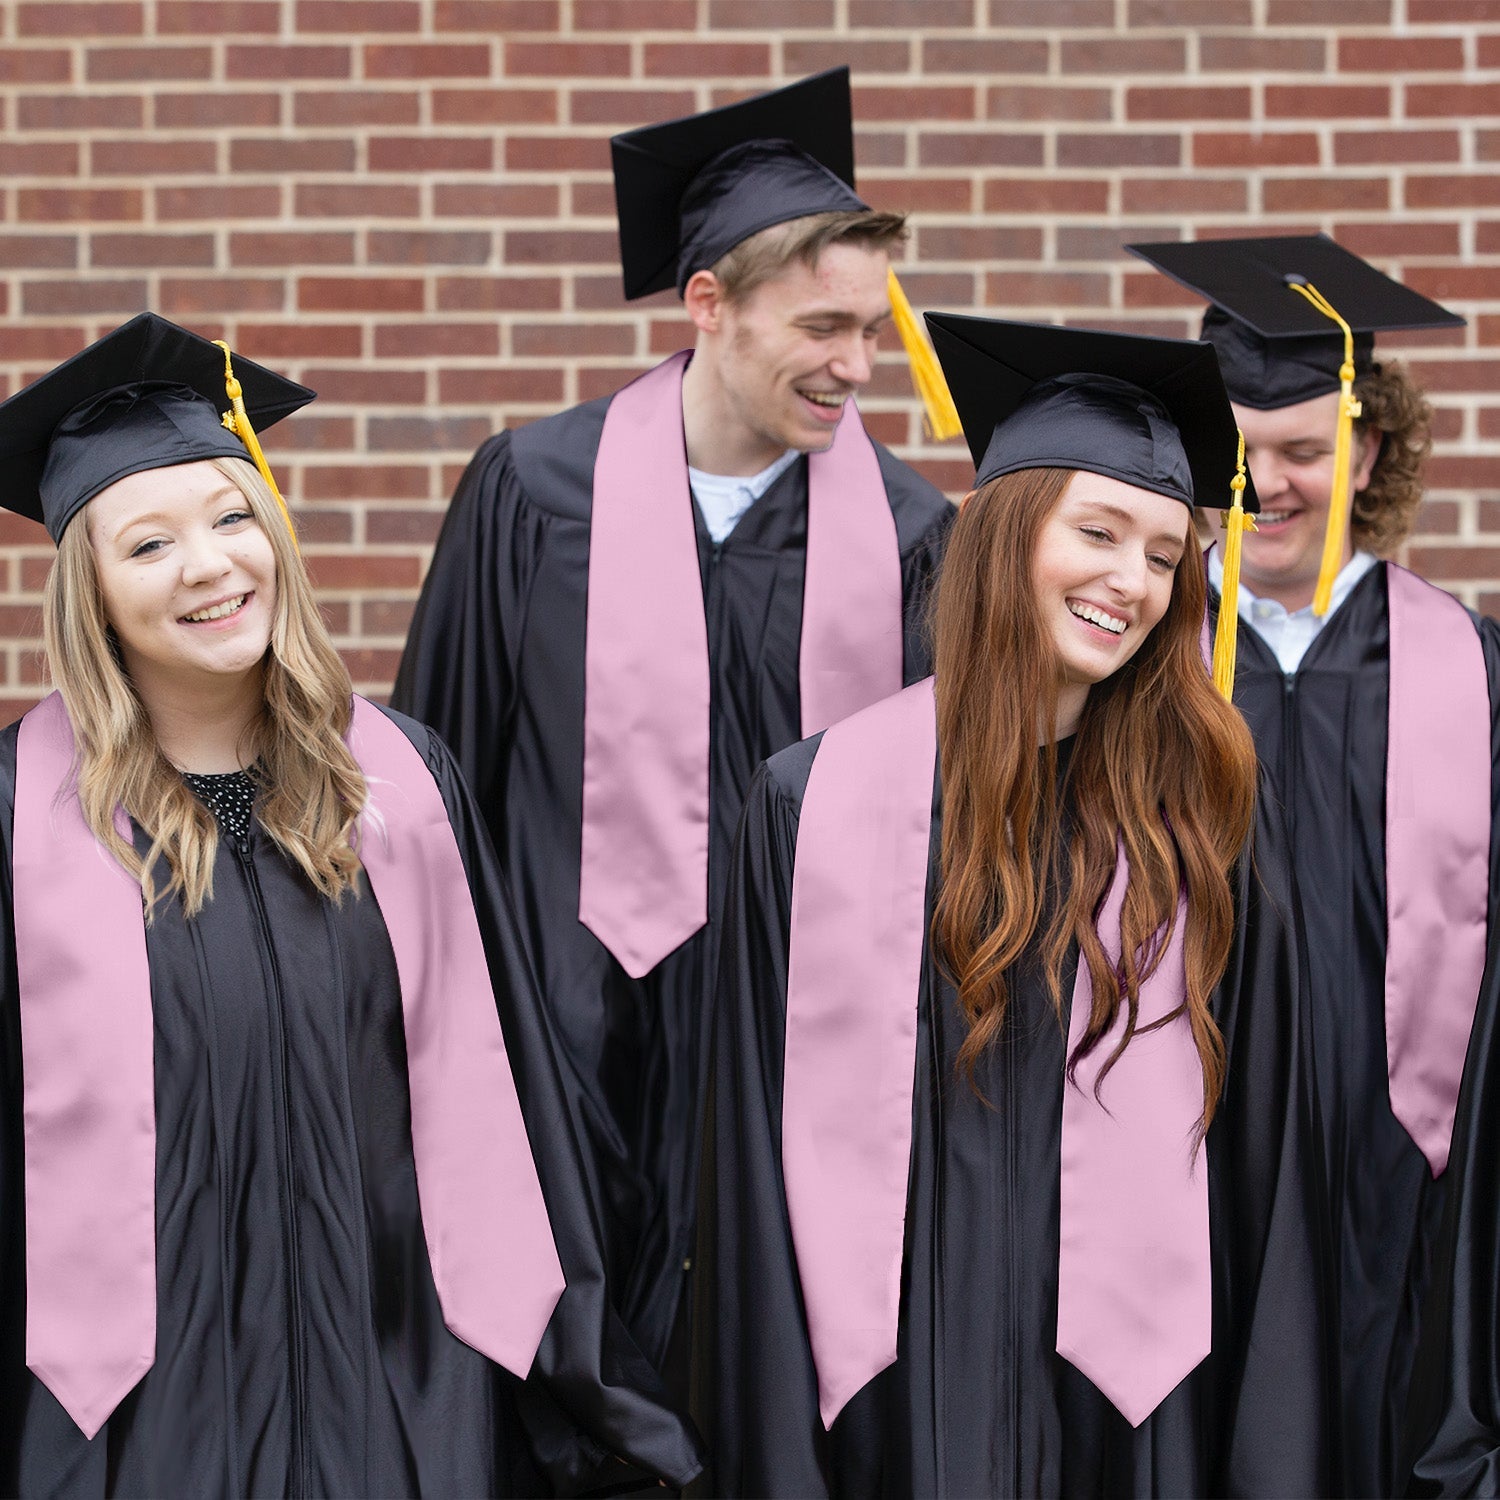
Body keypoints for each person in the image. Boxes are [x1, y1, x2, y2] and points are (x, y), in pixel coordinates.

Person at [0, 312, 704, 1497]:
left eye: (233, 518)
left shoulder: (404, 786)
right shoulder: (23, 819)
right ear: (94, 599)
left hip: (400, 1382)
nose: (213, 565)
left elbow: (511, 1095)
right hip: (137, 1418)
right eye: (150, 544)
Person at [692, 314, 1332, 1497]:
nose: (1130, 582)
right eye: (1097, 532)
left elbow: (1270, 1177)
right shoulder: (810, 803)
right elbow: (746, 1167)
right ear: (1002, 536)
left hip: (1143, 1425)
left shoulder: (1207, 824)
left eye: (1162, 553)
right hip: (889, 1418)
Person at [391, 66, 954, 1387]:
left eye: (872, 330)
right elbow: (437, 780)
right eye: (823, 326)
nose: (857, 367)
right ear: (710, 304)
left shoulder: (916, 541)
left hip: (793, 1053)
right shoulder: (532, 492)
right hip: (557, 1042)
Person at [1131, 234, 1499, 1499]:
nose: (1269, 484)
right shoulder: (1144, 666)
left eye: (1306, 448)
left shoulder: (1469, 670)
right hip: (1180, 1152)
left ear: (1371, 451)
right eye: (1241, 450)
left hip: (1406, 1165)